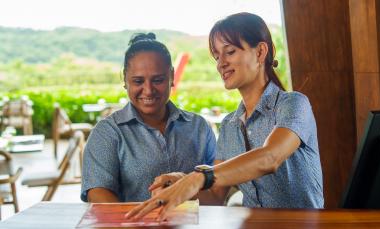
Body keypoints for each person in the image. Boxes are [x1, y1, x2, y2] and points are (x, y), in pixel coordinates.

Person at [125, 12, 324, 221]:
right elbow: (214, 196)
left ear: (260, 52)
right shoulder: (230, 125)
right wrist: (179, 186)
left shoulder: (293, 104)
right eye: (217, 56)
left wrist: (197, 179)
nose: (221, 63)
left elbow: (270, 157)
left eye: (229, 51)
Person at [81, 33, 216, 202]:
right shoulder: (107, 133)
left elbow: (217, 191)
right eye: (138, 81)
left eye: (158, 80)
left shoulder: (199, 127)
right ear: (124, 79)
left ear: (172, 76)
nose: (148, 90)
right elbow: (97, 193)